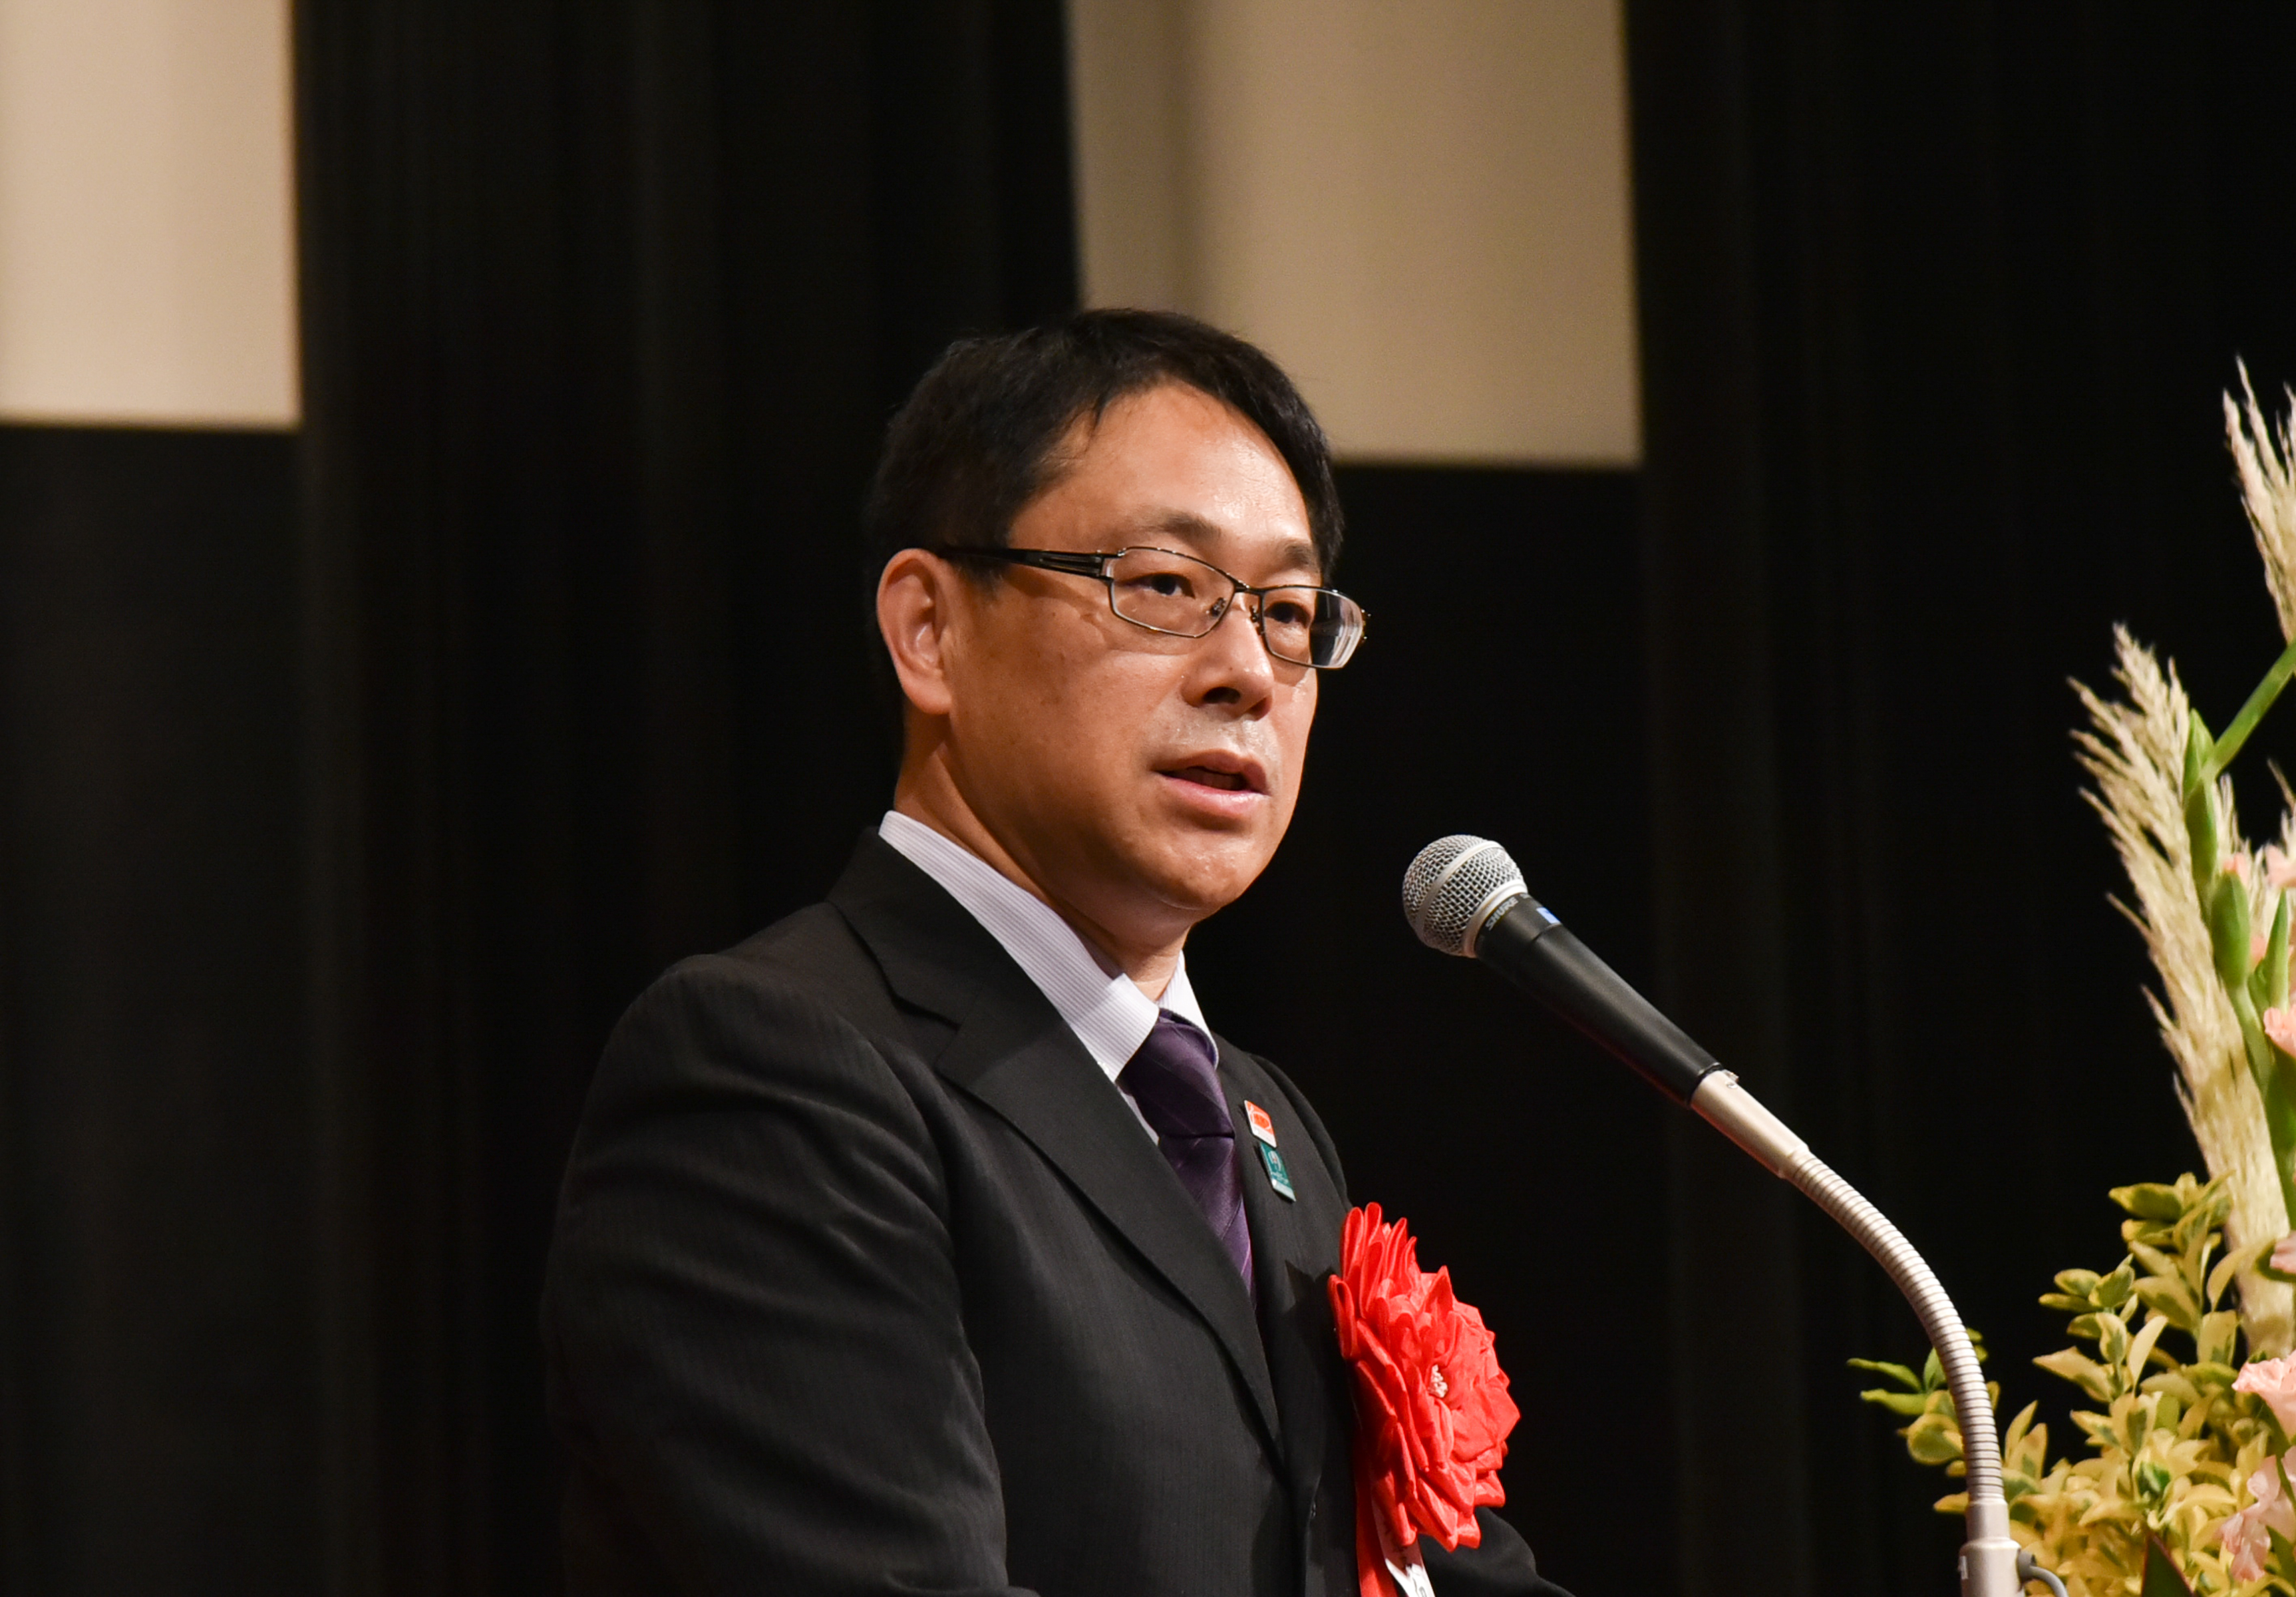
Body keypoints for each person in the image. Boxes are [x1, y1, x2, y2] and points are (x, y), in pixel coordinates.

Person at [541, 310, 1568, 1596]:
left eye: (1288, 611)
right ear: (929, 630)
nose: (1248, 672)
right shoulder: (774, 1069)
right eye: (1164, 587)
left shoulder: (1263, 1124)